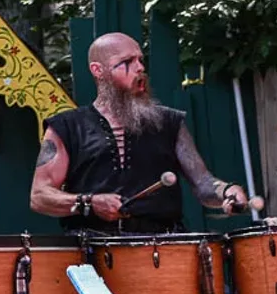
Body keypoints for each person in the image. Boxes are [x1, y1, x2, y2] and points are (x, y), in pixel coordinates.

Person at [30, 31, 248, 234]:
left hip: (162, 250)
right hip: (90, 252)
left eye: (140, 60)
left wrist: (227, 191)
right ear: (98, 71)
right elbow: (40, 196)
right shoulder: (67, 127)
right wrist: (89, 203)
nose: (140, 68)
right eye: (127, 62)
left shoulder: (168, 122)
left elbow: (203, 184)